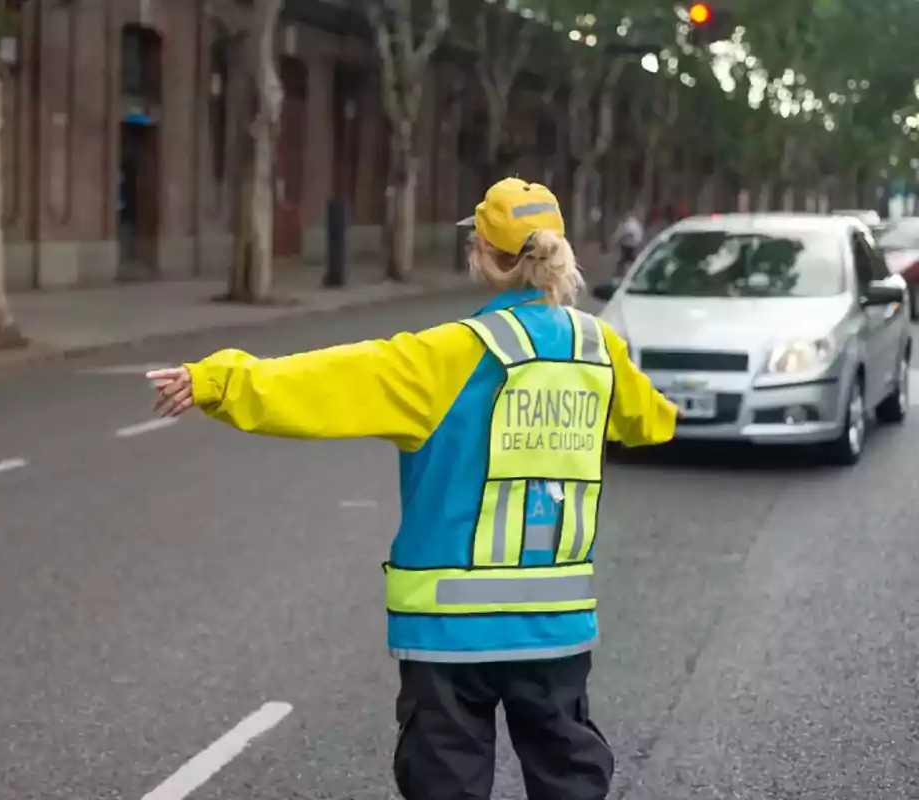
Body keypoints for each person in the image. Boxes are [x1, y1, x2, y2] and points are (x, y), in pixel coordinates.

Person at [147, 177, 678, 800]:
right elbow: (650, 422)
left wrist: (217, 380)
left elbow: (322, 382)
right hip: (554, 625)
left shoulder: (446, 355)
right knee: (569, 773)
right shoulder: (600, 348)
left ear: (481, 251)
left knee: (445, 779)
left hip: (449, 630)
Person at [611, 206, 645, 277]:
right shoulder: (636, 223)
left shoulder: (627, 224)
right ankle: (634, 271)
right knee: (631, 259)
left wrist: (615, 241)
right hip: (635, 244)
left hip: (628, 245)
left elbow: (620, 233)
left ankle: (623, 273)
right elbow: (640, 233)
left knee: (626, 259)